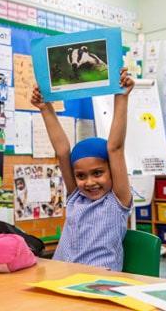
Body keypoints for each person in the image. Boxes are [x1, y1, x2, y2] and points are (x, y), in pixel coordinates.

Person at [31, 68, 134, 271]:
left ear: (112, 171)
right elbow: (62, 151)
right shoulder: (76, 196)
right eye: (80, 176)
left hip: (98, 280)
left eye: (98, 173)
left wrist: (121, 97)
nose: (89, 182)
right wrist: (45, 108)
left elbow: (115, 148)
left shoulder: (117, 201)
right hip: (62, 273)